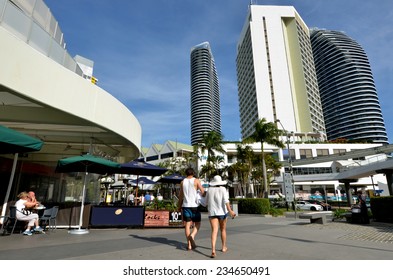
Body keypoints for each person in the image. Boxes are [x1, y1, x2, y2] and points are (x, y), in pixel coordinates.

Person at [206, 175, 236, 258]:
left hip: (212, 212)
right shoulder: (223, 189)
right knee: (223, 229)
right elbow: (226, 201)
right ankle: (223, 247)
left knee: (214, 231)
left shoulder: (209, 190)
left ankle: (213, 251)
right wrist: (230, 211)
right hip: (222, 212)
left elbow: (206, 202)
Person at [177, 167, 205, 251]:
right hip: (195, 206)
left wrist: (179, 206)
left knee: (187, 225)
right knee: (198, 223)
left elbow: (181, 196)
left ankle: (189, 245)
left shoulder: (182, 182)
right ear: (193, 173)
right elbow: (203, 192)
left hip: (185, 205)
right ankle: (192, 236)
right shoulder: (196, 181)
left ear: (186, 173)